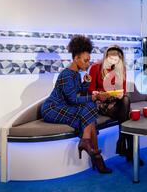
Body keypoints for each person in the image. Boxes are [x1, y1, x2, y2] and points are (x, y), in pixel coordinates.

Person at [41, 35, 112, 174]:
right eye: (85, 61)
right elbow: (74, 99)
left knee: (89, 110)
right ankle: (96, 157)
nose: (88, 64)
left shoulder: (75, 74)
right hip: (52, 108)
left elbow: (78, 93)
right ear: (76, 58)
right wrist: (94, 96)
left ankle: (88, 145)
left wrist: (85, 84)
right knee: (90, 108)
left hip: (64, 107)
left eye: (89, 61)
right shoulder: (67, 74)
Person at [88, 45, 144, 166]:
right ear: (106, 57)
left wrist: (118, 94)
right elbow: (90, 89)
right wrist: (99, 94)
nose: (114, 61)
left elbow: (123, 90)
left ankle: (123, 143)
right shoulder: (95, 67)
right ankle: (128, 150)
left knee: (125, 99)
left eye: (117, 59)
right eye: (111, 58)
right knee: (126, 115)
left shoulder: (121, 68)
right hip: (100, 101)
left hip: (115, 101)